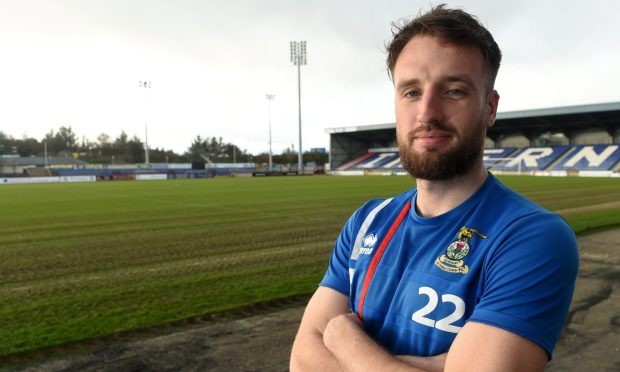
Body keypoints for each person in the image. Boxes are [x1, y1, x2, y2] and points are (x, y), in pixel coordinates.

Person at [290, 4, 579, 372]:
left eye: (454, 90)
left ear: (489, 108)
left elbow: (323, 347)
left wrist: (345, 340)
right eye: (411, 92)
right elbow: (302, 360)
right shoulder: (367, 222)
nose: (427, 112)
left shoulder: (532, 237)